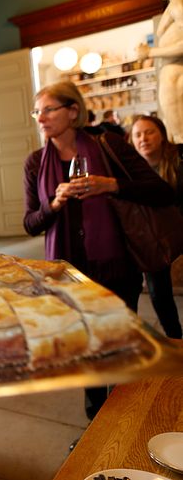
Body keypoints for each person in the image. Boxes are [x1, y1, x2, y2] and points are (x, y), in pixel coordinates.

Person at [23, 81, 174, 419]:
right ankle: (97, 421)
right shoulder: (35, 163)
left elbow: (161, 191)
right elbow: (31, 223)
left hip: (117, 266)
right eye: (37, 111)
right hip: (69, 273)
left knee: (121, 347)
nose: (40, 117)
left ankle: (130, 419)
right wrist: (55, 203)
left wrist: (113, 185)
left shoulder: (110, 147)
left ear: (73, 111)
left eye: (48, 109)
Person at [130, 115, 183, 338]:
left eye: (149, 132)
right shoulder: (129, 169)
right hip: (154, 237)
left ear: (161, 134)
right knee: (158, 289)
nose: (144, 138)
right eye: (137, 134)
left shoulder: (179, 158)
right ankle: (175, 339)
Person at [137, 0, 183, 144]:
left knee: (179, 140)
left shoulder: (179, 4)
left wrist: (150, 53)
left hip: (176, 75)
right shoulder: (174, 5)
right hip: (172, 76)